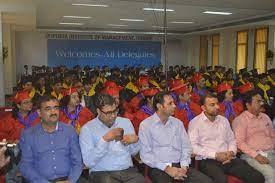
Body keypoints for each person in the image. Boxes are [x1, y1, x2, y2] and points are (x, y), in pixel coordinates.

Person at [188, 93, 264, 183]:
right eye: (212, 105)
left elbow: (231, 140)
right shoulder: (195, 123)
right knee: (221, 180)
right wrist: (215, 155)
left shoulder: (223, 120)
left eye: (217, 103)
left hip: (229, 157)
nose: (217, 107)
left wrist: (231, 152)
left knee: (257, 177)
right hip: (208, 160)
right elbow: (193, 147)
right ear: (203, 108)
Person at [139, 91, 213, 183]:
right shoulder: (146, 125)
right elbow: (146, 155)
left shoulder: (177, 123)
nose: (174, 106)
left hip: (180, 165)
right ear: (159, 106)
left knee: (207, 181)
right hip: (159, 167)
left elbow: (186, 147)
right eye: (170, 103)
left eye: (173, 102)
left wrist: (184, 167)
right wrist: (167, 169)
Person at [79, 94, 144, 183]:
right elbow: (88, 162)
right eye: (108, 113)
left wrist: (135, 141)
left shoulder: (125, 122)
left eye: (115, 111)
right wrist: (104, 140)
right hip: (102, 172)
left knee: (140, 180)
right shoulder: (87, 129)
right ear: (98, 111)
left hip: (127, 170)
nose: (113, 115)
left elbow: (133, 152)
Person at [19, 95, 83, 183]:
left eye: (56, 108)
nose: (53, 112)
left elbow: (77, 161)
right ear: (39, 112)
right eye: (48, 109)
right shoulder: (28, 135)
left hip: (68, 179)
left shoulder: (69, 130)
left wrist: (71, 180)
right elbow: (25, 165)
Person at [233, 90, 275, 183]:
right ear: (248, 105)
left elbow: (272, 136)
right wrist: (257, 156)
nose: (261, 103)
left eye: (262, 101)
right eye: (258, 101)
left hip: (271, 152)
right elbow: (239, 143)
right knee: (271, 174)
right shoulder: (240, 120)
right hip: (251, 156)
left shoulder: (265, 117)